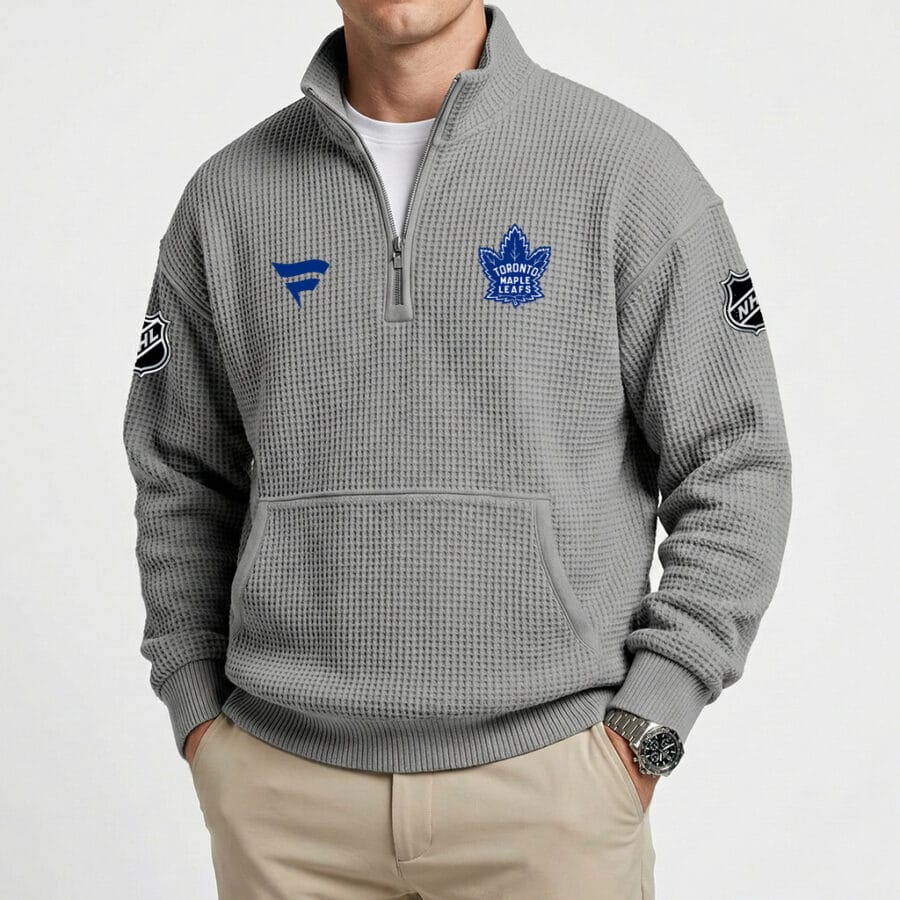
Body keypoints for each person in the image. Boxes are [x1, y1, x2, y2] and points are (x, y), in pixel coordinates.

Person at [121, 2, 792, 897]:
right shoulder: (228, 197)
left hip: (552, 791)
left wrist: (648, 725)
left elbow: (736, 461)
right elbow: (179, 473)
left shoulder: (626, 173)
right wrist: (198, 717)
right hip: (284, 800)